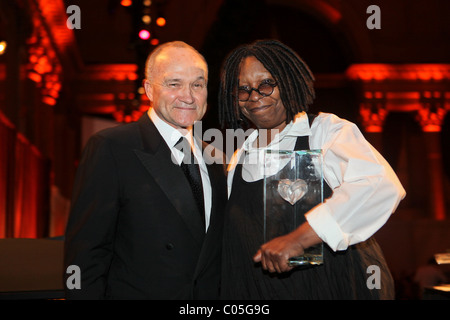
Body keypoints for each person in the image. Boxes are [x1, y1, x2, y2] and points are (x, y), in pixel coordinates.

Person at [218, 39, 406, 299]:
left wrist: (299, 238)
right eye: (243, 89)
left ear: (288, 80)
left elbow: (378, 184)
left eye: (266, 84)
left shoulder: (324, 132)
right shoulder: (238, 159)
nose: (254, 97)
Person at [64, 41, 227, 299]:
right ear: (149, 89)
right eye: (174, 84)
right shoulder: (112, 148)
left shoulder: (216, 158)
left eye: (198, 84)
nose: (188, 96)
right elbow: (86, 253)